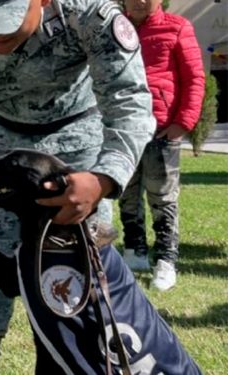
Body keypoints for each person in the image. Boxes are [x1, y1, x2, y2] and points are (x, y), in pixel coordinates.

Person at [0, 0, 155, 373]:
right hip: (7, 150)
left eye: (7, 20)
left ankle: (94, 354)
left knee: (83, 269)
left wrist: (103, 179)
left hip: (80, 150)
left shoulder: (89, 17)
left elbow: (129, 103)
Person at [119, 0, 205, 291]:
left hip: (162, 130)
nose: (139, 1)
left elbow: (194, 78)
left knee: (163, 198)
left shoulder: (178, 27)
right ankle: (135, 251)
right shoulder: (116, 28)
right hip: (124, 130)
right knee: (127, 194)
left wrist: (183, 123)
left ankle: (166, 260)